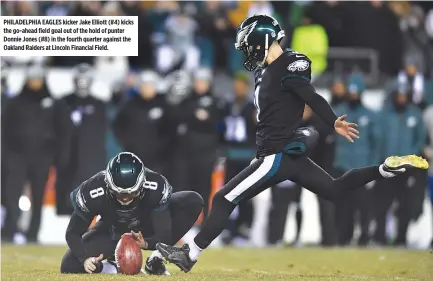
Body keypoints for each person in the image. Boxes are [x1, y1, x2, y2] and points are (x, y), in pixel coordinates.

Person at [156, 15, 429, 272]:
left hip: (276, 155)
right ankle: (384, 169)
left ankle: (190, 254)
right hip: (281, 153)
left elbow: (310, 95)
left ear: (263, 41)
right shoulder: (264, 73)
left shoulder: (290, 64)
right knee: (335, 189)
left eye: (250, 45)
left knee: (224, 197)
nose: (247, 52)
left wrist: (333, 120)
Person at [60, 152, 203, 275]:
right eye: (119, 193)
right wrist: (85, 259)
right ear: (108, 184)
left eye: (131, 193)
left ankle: (156, 259)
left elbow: (164, 232)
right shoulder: (93, 190)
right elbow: (73, 233)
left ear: (142, 184)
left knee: (192, 201)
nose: (125, 198)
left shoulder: (155, 186)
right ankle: (112, 268)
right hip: (112, 229)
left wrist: (147, 243)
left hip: (145, 225)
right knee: (69, 265)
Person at [1, 65, 70, 244]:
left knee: (38, 197)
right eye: (32, 78)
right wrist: (7, 155)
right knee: (11, 195)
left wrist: (57, 156)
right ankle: (9, 230)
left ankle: (33, 233)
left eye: (38, 78)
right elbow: (5, 129)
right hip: (17, 157)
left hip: (42, 157)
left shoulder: (54, 103)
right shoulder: (15, 102)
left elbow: (63, 130)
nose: (35, 82)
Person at [333, 75, 380, 246]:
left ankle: (365, 239)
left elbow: (375, 145)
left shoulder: (370, 115)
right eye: (351, 92)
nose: (353, 96)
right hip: (342, 167)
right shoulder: (338, 113)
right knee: (344, 207)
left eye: (356, 93)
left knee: (364, 208)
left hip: (362, 169)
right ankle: (344, 238)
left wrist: (373, 171)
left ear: (361, 93)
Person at [55, 63, 108, 215]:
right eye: (80, 80)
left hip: (90, 160)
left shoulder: (99, 105)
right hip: (67, 159)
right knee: (66, 199)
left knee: (90, 201)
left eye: (86, 80)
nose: (82, 84)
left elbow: (102, 133)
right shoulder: (63, 102)